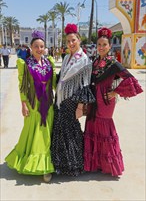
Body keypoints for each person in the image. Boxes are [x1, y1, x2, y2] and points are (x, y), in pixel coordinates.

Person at [84, 27, 143, 177]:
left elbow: (131, 79)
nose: (101, 47)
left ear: (110, 46)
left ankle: (109, 166)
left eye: (104, 45)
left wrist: (116, 91)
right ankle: (95, 163)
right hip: (93, 100)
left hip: (105, 101)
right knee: (93, 127)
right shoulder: (94, 62)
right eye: (99, 45)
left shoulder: (114, 63)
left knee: (104, 129)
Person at [5, 30, 56, 183]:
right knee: (33, 132)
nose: (39, 49)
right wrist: (23, 104)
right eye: (36, 46)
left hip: (48, 104)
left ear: (45, 48)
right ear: (31, 48)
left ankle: (46, 166)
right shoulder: (25, 64)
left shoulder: (49, 62)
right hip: (33, 104)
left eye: (42, 47)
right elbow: (22, 85)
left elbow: (54, 83)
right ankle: (31, 162)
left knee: (46, 134)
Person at [51, 23, 95, 176]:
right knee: (60, 129)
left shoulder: (84, 60)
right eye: (68, 41)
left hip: (72, 101)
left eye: (73, 40)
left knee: (71, 130)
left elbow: (85, 84)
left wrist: (80, 107)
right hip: (61, 99)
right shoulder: (67, 57)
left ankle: (73, 164)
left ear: (79, 40)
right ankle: (60, 162)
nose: (70, 43)